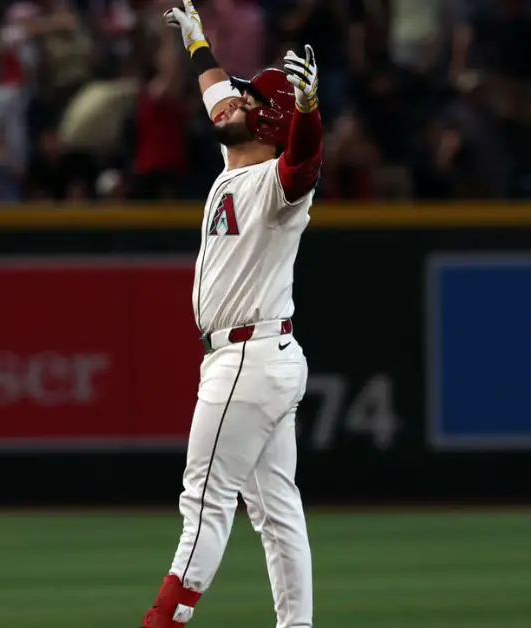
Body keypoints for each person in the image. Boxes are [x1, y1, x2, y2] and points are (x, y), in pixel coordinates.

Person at [139, 2, 322, 627]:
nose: (230, 104)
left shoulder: (277, 185)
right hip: (261, 355)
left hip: (246, 358)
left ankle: (163, 622)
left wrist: (308, 111)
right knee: (276, 508)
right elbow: (217, 94)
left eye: (246, 101)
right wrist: (197, 44)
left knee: (205, 501)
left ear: (268, 121)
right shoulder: (233, 159)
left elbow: (304, 164)